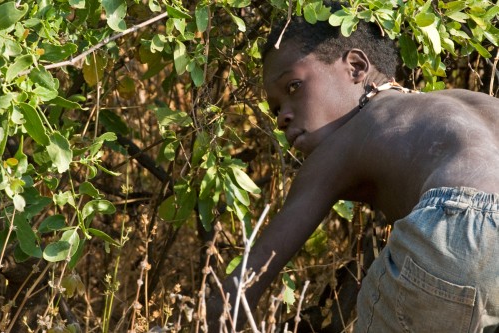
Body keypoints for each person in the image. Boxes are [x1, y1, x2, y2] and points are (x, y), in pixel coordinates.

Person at [207, 5, 499, 332]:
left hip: (456, 231)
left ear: (356, 67)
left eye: (293, 87)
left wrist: (207, 319)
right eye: (276, 110)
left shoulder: (347, 139)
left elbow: (254, 272)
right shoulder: (467, 105)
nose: (282, 118)